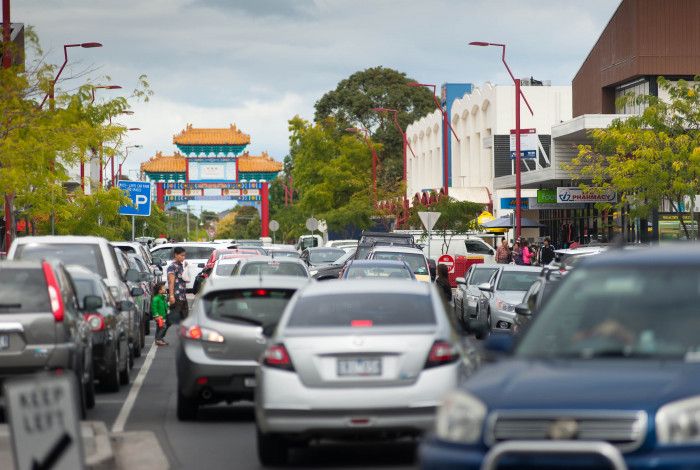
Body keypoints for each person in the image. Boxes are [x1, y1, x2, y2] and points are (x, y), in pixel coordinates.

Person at [167, 247, 189, 323]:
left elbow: (185, 279)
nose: (184, 257)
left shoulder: (180, 265)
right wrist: (171, 296)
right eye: (182, 255)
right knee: (174, 320)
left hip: (182, 296)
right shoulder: (172, 267)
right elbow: (171, 282)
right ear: (176, 255)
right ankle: (162, 334)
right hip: (176, 297)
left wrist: (186, 268)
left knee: (185, 319)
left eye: (184, 255)